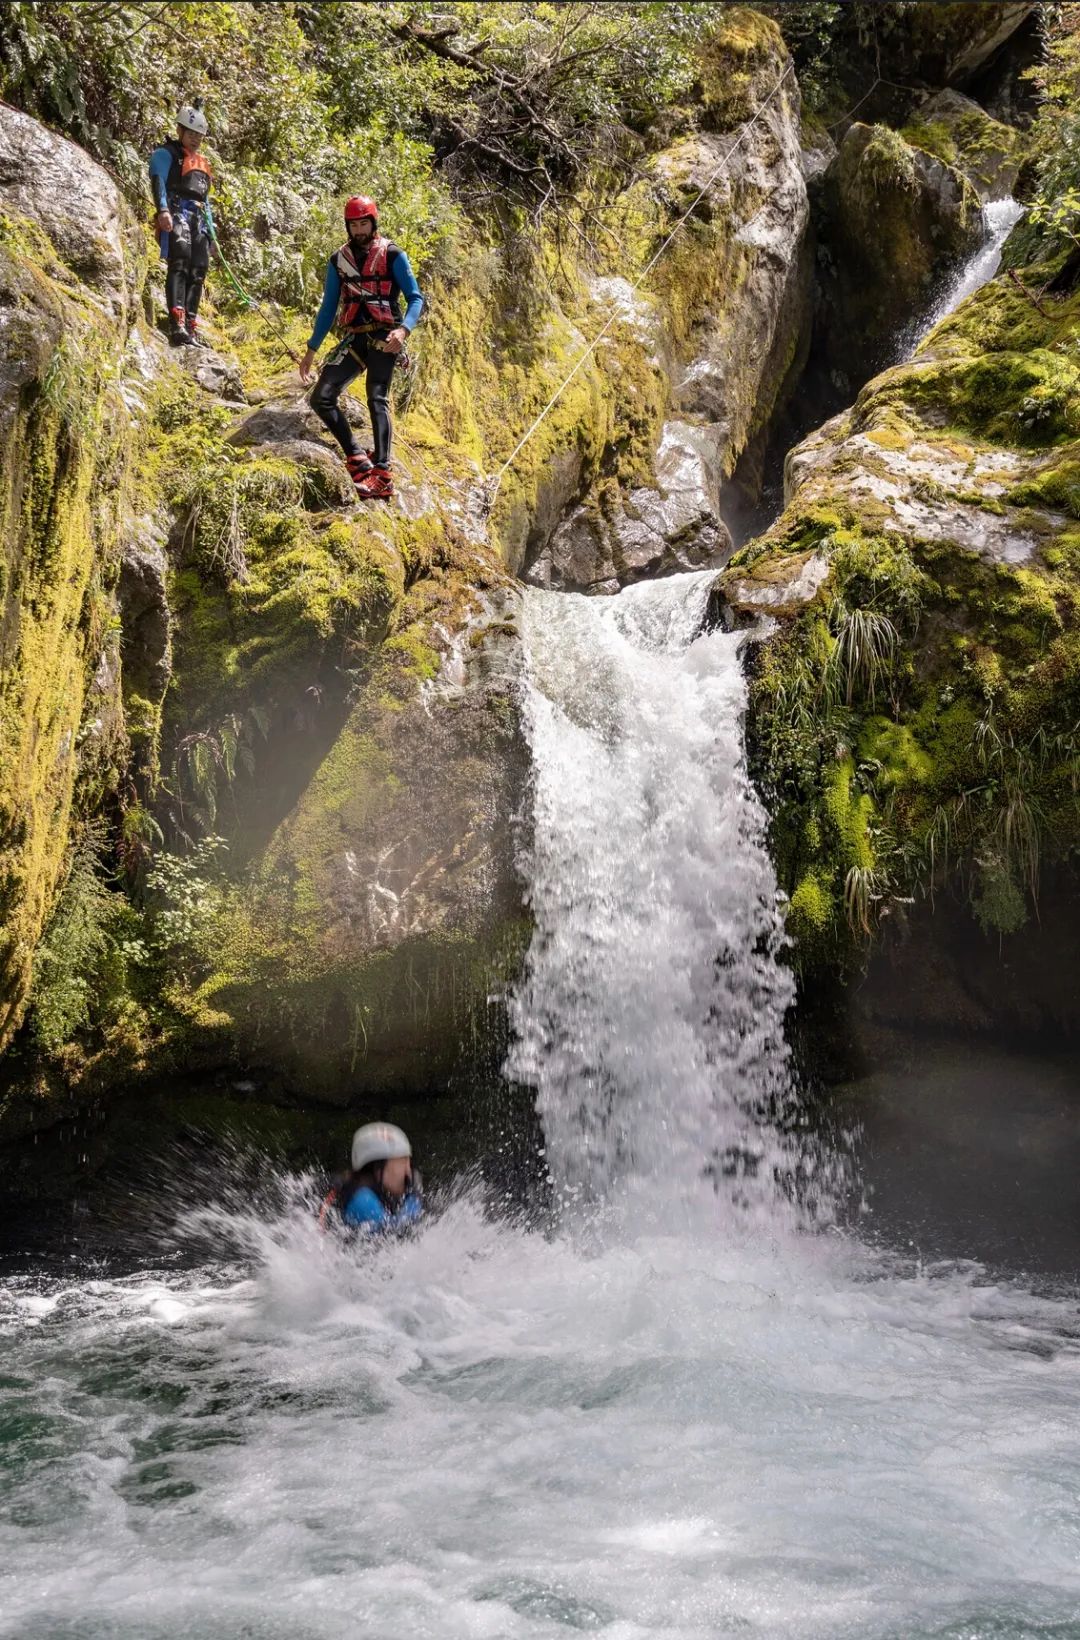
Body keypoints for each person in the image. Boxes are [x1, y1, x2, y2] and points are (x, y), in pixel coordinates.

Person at [299, 196, 424, 500]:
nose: (358, 230)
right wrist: (311, 350)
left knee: (376, 397)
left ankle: (382, 474)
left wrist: (403, 330)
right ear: (347, 226)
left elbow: (416, 298)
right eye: (353, 225)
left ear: (373, 223)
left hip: (385, 337)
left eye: (363, 223)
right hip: (356, 338)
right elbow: (329, 308)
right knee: (322, 397)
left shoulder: (393, 254)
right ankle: (357, 457)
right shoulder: (338, 261)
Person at [148, 102, 215, 347]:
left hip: (198, 219)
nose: (196, 139)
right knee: (180, 263)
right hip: (177, 212)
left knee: (198, 269)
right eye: (191, 133)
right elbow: (158, 183)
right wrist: (162, 210)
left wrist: (212, 235)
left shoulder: (202, 163)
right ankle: (176, 323)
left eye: (199, 135)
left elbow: (206, 201)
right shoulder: (166, 154)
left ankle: (190, 325)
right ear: (180, 131)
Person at [318, 1122, 423, 1234]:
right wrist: (415, 1200)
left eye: (408, 1161)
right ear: (378, 1169)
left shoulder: (382, 1191)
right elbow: (396, 1236)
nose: (408, 1171)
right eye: (402, 1162)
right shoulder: (362, 1199)